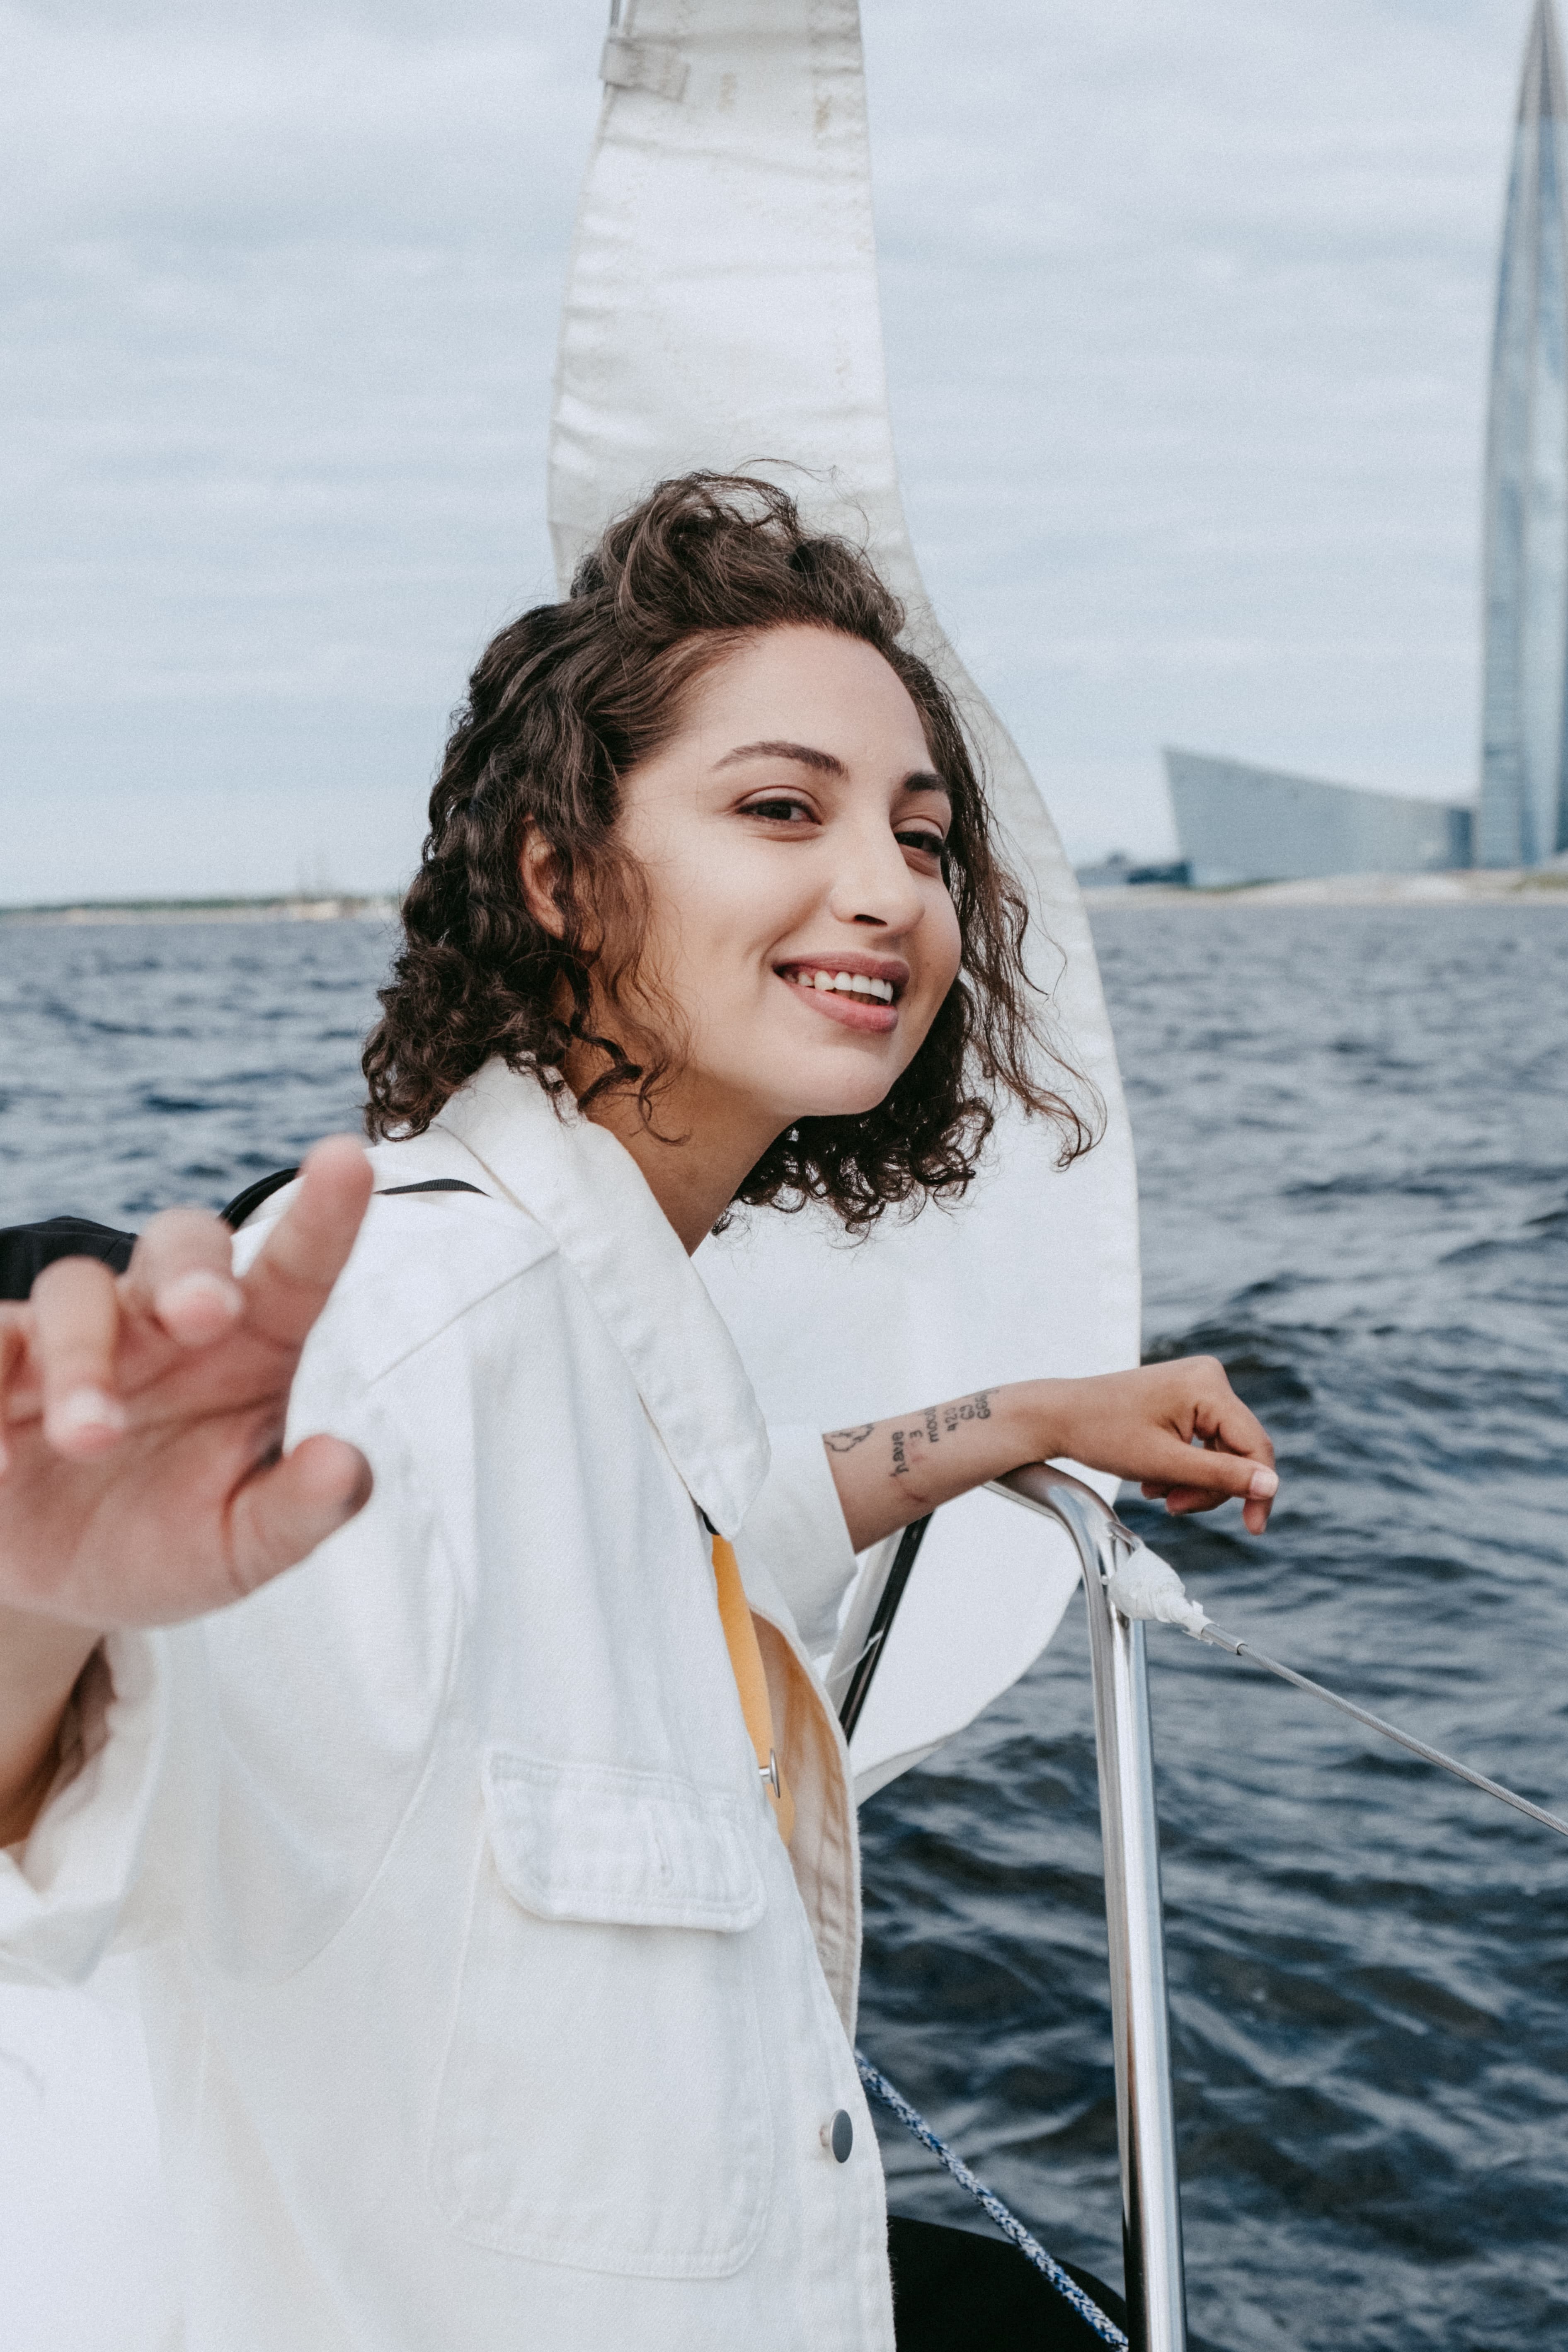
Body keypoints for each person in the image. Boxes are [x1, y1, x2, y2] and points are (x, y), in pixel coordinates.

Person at [0, 475, 1276, 2349]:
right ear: (557, 871)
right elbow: (79, 1793)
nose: (886, 890)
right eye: (781, 809)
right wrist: (38, 1605)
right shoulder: (406, 1330)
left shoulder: (589, 1299)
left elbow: (700, 1525)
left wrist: (1027, 1414)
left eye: (922, 840)